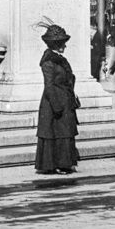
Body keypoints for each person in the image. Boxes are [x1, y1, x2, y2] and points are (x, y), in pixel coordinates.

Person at [35, 23, 80, 174]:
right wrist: (57, 105)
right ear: (57, 45)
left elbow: (68, 78)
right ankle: (54, 164)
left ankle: (64, 163)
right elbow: (49, 86)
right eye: (63, 43)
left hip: (65, 101)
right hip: (54, 104)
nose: (65, 46)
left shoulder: (60, 59)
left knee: (64, 133)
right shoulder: (48, 62)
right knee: (56, 133)